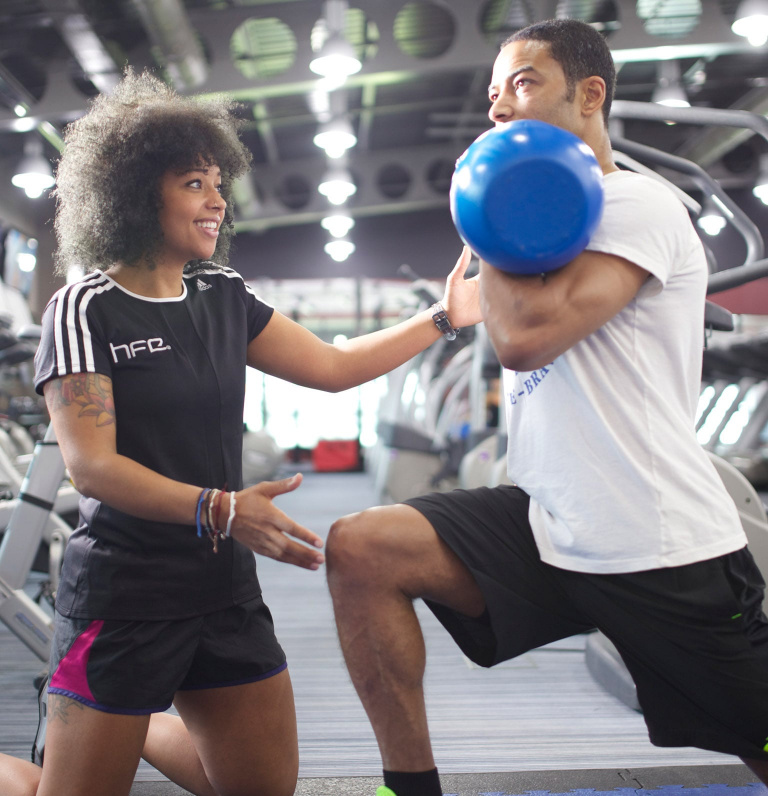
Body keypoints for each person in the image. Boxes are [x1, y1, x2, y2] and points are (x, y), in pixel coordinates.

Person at [1, 68, 480, 796]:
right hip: (125, 596)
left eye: (218, 182)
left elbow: (333, 364)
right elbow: (91, 467)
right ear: (135, 192)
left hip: (224, 590)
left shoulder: (223, 295)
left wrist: (443, 319)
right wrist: (220, 507)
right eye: (194, 183)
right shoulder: (84, 309)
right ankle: (76, 739)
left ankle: (124, 727)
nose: (217, 200)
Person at [325, 17, 768, 796]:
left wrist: (487, 203)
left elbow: (526, 336)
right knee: (362, 548)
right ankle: (411, 787)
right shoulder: (542, 218)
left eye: (523, 84)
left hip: (653, 541)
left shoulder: (635, 203)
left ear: (589, 94)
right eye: (493, 94)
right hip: (550, 522)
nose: (498, 108)